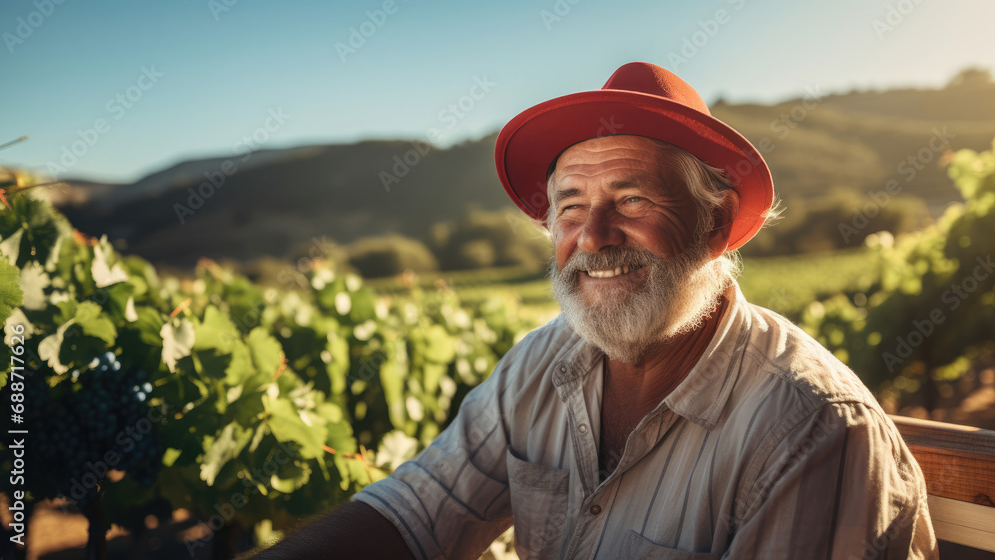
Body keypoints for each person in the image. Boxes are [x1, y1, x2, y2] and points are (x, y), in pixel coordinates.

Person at [246, 62, 938, 559]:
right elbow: (417, 516)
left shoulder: (809, 429)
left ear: (714, 221)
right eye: (570, 208)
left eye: (632, 201)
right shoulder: (540, 367)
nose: (595, 237)